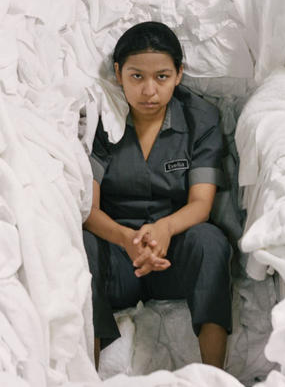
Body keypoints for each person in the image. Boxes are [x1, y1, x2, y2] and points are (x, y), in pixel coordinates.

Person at [83, 21, 232, 370]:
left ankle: (214, 375)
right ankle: (86, 373)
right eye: (137, 76)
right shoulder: (102, 120)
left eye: (162, 77)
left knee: (211, 240)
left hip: (173, 256)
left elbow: (201, 204)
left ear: (179, 74)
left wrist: (164, 229)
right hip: (118, 256)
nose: (150, 90)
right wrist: (126, 239)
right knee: (80, 244)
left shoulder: (200, 119)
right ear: (119, 74)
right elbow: (87, 209)